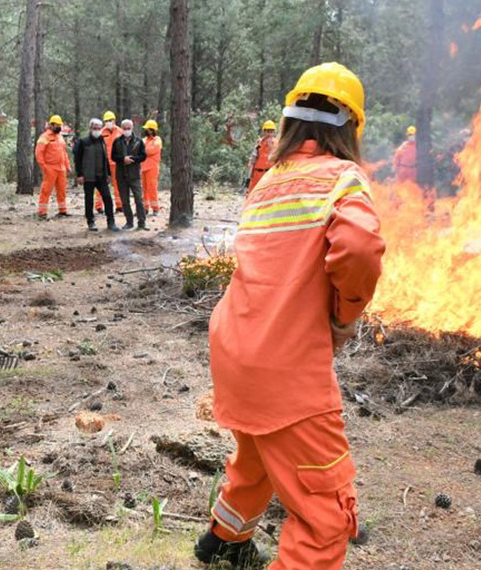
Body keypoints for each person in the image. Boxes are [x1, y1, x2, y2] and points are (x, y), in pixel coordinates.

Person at [196, 62, 384, 570]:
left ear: (290, 122)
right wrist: (344, 316)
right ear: (351, 127)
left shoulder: (269, 181)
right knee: (326, 513)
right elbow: (360, 249)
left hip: (235, 349)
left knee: (258, 453)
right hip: (286, 365)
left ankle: (225, 540)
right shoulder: (342, 178)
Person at [74, 118, 118, 232]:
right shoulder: (83, 142)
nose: (97, 130)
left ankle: (111, 222)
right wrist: (79, 174)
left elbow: (106, 158)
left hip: (101, 176)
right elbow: (77, 159)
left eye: (99, 128)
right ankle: (91, 222)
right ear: (90, 128)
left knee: (107, 198)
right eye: (95, 128)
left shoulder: (102, 141)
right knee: (89, 199)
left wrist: (108, 173)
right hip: (88, 176)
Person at [111, 119, 147, 230]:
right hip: (121, 175)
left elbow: (143, 156)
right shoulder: (117, 141)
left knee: (139, 199)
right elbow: (113, 156)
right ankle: (129, 222)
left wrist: (132, 159)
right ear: (121, 128)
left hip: (134, 175)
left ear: (132, 128)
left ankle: (142, 223)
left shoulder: (139, 141)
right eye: (125, 128)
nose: (126, 130)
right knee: (124, 200)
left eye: (128, 128)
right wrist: (123, 159)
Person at [35, 115, 71, 219]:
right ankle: (42, 212)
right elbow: (39, 153)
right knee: (46, 190)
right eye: (57, 125)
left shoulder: (60, 137)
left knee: (62, 190)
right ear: (51, 125)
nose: (59, 127)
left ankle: (62, 211)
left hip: (61, 168)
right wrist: (44, 167)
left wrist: (67, 166)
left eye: (60, 125)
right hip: (50, 167)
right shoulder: (44, 137)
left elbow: (64, 153)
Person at [94, 111, 123, 213]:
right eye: (106, 121)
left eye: (110, 120)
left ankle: (119, 206)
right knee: (100, 185)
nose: (108, 122)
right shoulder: (101, 133)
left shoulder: (120, 132)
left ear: (114, 120)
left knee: (118, 184)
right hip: (103, 164)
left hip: (116, 163)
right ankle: (98, 206)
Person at [247, 120, 277, 193]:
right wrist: (249, 177)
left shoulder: (277, 143)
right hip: (257, 174)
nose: (269, 134)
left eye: (271, 131)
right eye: (267, 131)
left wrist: (271, 146)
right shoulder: (259, 143)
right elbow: (253, 159)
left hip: (270, 174)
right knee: (253, 193)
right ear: (264, 131)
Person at [141, 120, 163, 215]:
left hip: (152, 168)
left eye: (148, 129)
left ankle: (155, 208)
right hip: (143, 167)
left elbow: (151, 150)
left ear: (152, 130)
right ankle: (144, 208)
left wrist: (142, 151)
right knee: (144, 188)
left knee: (152, 188)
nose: (146, 131)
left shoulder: (157, 140)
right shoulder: (144, 140)